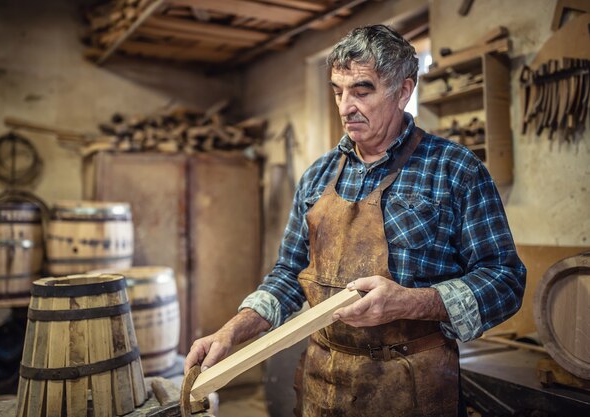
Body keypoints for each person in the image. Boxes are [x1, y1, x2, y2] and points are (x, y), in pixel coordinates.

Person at [185, 24, 526, 417]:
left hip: (412, 388)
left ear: (403, 91)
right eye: (338, 91)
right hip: (323, 386)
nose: (346, 106)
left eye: (362, 90)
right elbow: (288, 274)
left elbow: (505, 280)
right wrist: (234, 331)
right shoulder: (317, 176)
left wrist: (411, 303)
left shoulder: (455, 169)